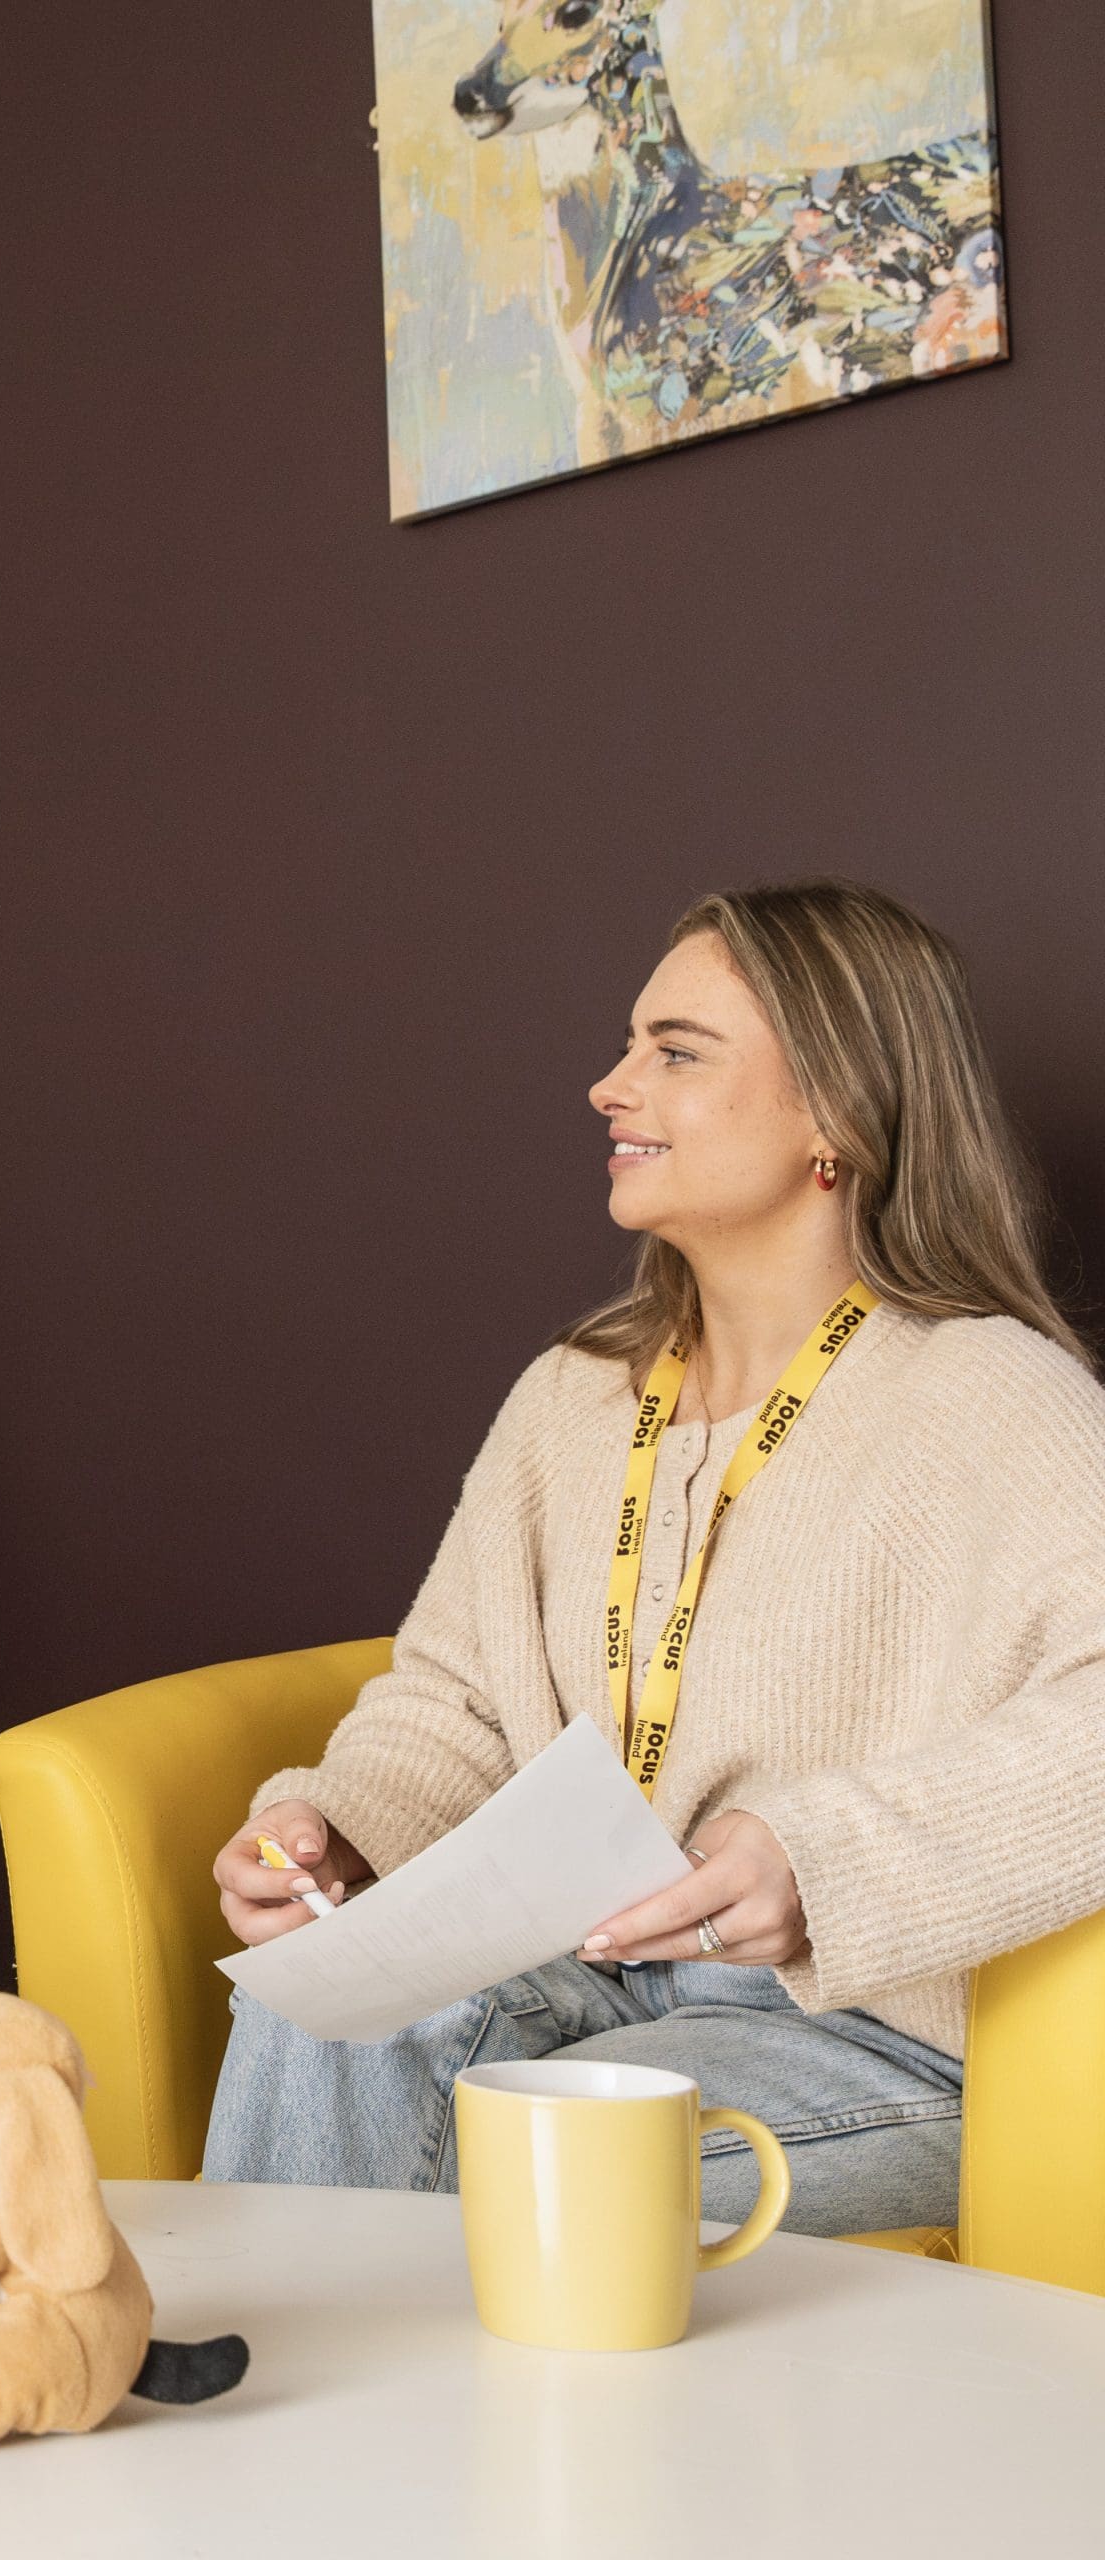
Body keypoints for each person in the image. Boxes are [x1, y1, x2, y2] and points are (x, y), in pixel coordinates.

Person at [205, 880, 1105, 2234]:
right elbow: (451, 1696)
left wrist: (823, 1858)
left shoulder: (994, 1397)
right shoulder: (573, 1397)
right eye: (631, 1046)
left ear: (839, 1119)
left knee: (542, 2172)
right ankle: (258, 2434)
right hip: (583, 1974)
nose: (609, 1087)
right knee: (319, 2014)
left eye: (677, 1052)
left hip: (862, 2036)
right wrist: (337, 1829)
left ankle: (290, 2411)